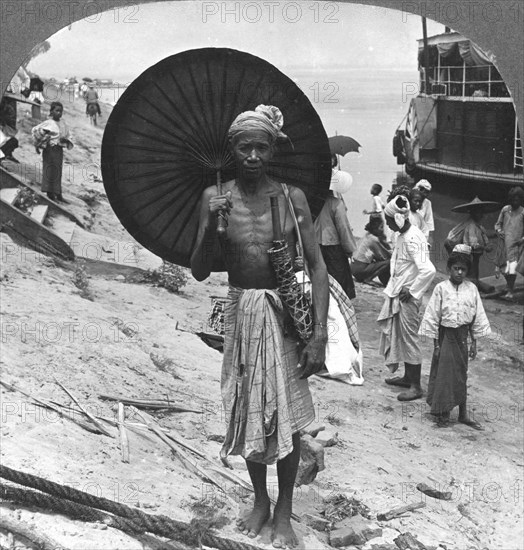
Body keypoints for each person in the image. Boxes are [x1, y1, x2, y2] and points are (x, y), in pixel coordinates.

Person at [190, 104, 329, 549]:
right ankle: (260, 501)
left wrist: (319, 334)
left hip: (283, 314)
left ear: (272, 150)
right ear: (232, 149)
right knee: (247, 409)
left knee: (285, 418)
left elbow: (319, 266)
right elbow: (196, 271)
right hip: (240, 311)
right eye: (245, 146)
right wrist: (213, 224)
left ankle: (285, 511)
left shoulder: (292, 198)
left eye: (261, 147)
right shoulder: (216, 197)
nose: (252, 155)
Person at [419, 244, 491, 429]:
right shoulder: (441, 288)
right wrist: (436, 345)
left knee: (461, 375)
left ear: (467, 270)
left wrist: (474, 342)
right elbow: (433, 316)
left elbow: (477, 316)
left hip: (462, 337)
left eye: (463, 269)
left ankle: (462, 414)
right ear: (449, 269)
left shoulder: (472, 289)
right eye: (456, 268)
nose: (459, 272)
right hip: (445, 336)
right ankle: (442, 413)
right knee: (444, 375)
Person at [377, 194, 436, 401]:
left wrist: (412, 291)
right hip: (399, 292)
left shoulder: (414, 236)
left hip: (408, 297)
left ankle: (416, 386)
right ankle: (407, 377)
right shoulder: (402, 235)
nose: (388, 225)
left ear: (398, 219)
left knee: (410, 338)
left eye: (389, 221)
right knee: (402, 336)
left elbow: (428, 270)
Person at [314, 176, 357, 300]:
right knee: (338, 281)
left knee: (318, 279)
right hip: (333, 247)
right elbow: (343, 227)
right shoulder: (336, 203)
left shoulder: (312, 201)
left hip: (315, 245)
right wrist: (349, 248)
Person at [31, 102, 73, 202]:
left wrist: (65, 140)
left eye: (61, 111)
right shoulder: (49, 123)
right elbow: (36, 130)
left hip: (59, 150)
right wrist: (41, 142)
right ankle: (50, 193)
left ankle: (58, 193)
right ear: (51, 111)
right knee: (50, 170)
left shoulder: (63, 123)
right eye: (57, 110)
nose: (59, 113)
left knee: (58, 171)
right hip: (50, 149)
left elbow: (68, 134)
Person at [494, 186, 524, 299]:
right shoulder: (505, 209)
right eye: (513, 199)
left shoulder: (523, 213)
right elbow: (498, 224)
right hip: (504, 243)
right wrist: (499, 231)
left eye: (517, 200)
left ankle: (510, 290)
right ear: (510, 199)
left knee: (512, 268)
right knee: (502, 267)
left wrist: (522, 239)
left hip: (516, 244)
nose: (514, 202)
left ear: (521, 200)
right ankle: (508, 285)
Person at [352, 214, 392, 287]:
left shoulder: (366, 236)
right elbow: (384, 256)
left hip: (354, 269)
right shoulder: (373, 239)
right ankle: (368, 279)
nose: (383, 230)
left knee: (378, 261)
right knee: (389, 262)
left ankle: (365, 277)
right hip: (360, 269)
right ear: (375, 228)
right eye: (381, 227)